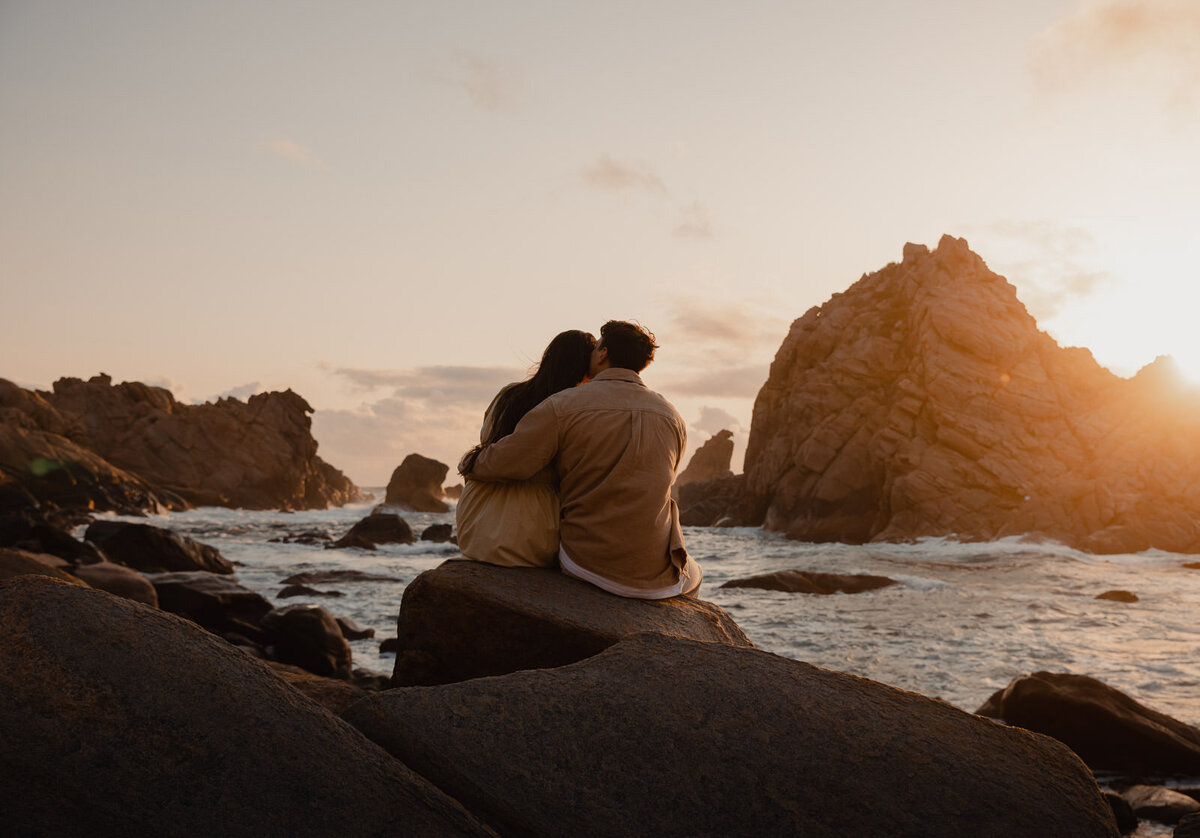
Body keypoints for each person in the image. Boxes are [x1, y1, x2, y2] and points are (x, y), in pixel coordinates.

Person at [463, 320, 702, 599]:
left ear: (602, 354)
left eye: (597, 346)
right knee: (695, 574)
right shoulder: (671, 415)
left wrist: (470, 462)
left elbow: (506, 462)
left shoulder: (563, 405)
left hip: (586, 565)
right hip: (657, 574)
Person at [455, 329, 597, 567]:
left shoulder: (508, 395)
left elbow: (487, 442)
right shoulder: (571, 407)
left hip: (476, 519)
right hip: (529, 523)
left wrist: (470, 463)